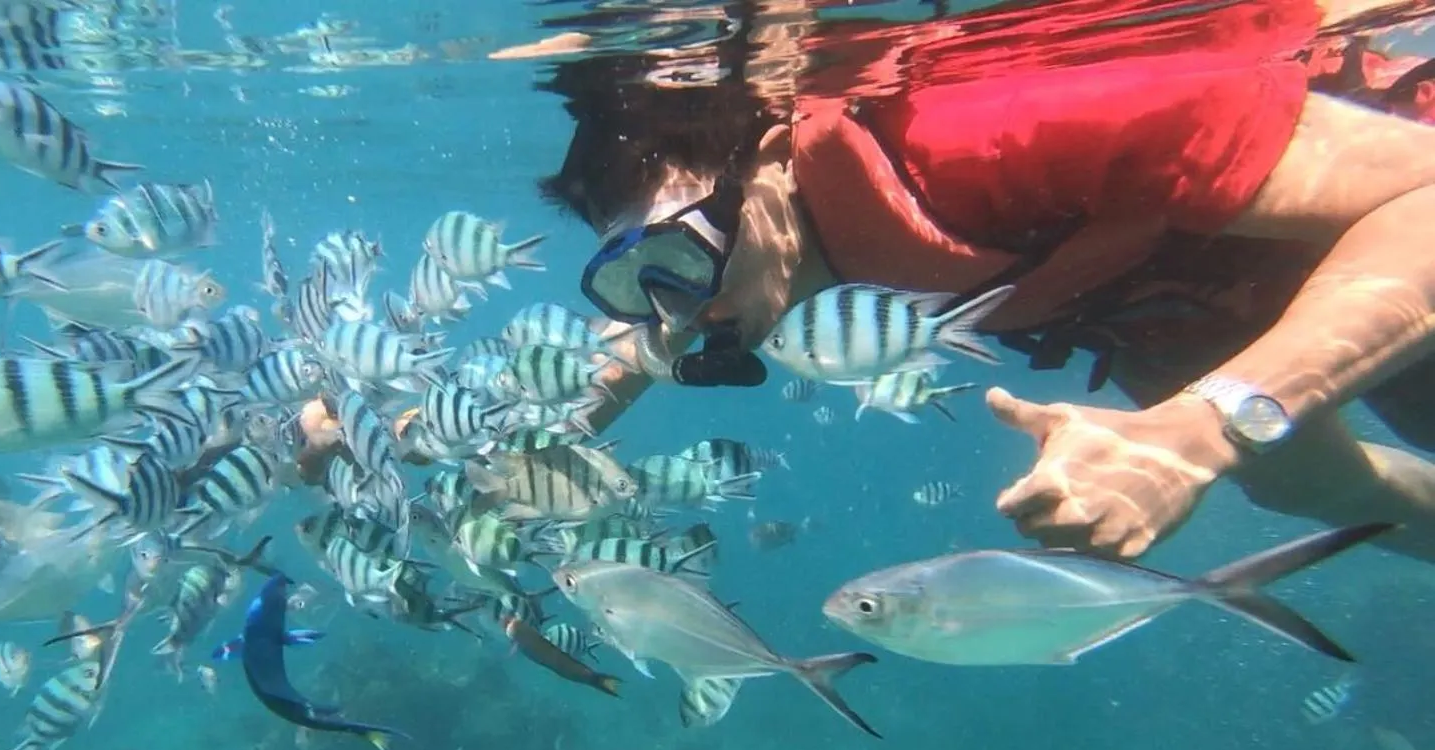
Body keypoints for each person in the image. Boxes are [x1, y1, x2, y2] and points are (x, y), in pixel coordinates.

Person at [500, 0, 1435, 564]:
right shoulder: (764, 253)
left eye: (683, 255)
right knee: (1311, 491)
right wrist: (483, 432)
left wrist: (1199, 432)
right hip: (1181, 296)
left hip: (1387, 227)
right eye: (639, 280)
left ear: (773, 153)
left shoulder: (977, 132)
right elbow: (665, 312)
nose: (686, 312)